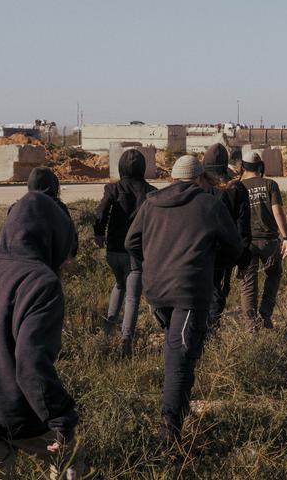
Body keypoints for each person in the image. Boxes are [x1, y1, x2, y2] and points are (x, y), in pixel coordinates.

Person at [0, 192, 83, 478]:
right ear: (53, 237)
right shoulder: (41, 282)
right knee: (72, 460)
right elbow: (31, 363)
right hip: (20, 412)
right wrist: (62, 417)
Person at [125, 155, 242, 448]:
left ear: (173, 178)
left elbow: (131, 243)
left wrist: (154, 260)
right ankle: (169, 435)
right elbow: (234, 248)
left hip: (156, 291)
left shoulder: (151, 203)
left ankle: (179, 414)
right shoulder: (209, 205)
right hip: (189, 291)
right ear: (200, 177)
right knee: (178, 358)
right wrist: (212, 265)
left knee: (181, 351)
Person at [93, 149, 157, 353]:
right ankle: (126, 340)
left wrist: (99, 234)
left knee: (119, 284)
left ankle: (109, 328)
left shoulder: (113, 189)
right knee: (132, 297)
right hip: (136, 254)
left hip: (113, 251)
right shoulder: (151, 192)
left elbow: (101, 212)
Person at [236, 148, 287, 330]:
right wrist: (286, 237)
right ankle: (265, 315)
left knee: (248, 282)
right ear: (260, 166)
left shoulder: (238, 187)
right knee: (274, 274)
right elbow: (277, 211)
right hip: (269, 241)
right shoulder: (270, 184)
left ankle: (251, 324)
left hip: (247, 243)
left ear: (243, 167)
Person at [199, 143, 252, 330]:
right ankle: (211, 331)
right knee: (218, 294)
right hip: (224, 253)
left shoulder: (198, 186)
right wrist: (244, 260)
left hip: (197, 250)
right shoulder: (236, 188)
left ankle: (199, 332)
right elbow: (243, 226)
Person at [27, 167, 78, 259]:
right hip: (49, 264)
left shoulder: (18, 206)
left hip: (20, 265)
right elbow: (70, 237)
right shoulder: (57, 206)